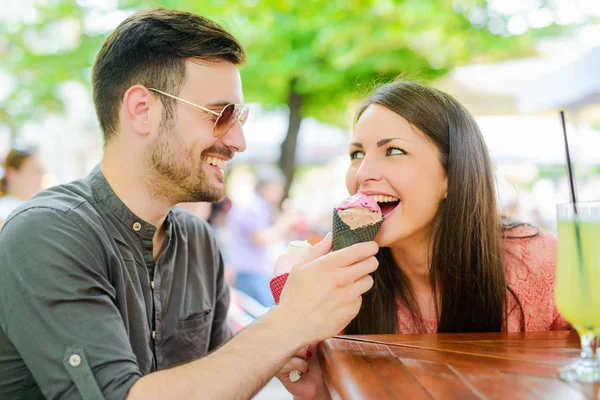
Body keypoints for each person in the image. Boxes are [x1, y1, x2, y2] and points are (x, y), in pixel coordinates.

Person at [0, 9, 380, 400]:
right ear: (142, 110)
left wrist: (285, 364)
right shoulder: (45, 232)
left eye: (240, 116)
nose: (238, 142)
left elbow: (218, 380)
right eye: (221, 114)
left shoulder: (198, 241)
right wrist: (291, 320)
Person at [271, 80, 570, 399]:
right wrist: (319, 392)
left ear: (451, 177)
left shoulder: (542, 263)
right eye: (357, 153)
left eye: (394, 150)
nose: (362, 173)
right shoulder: (336, 284)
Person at [227, 165, 299, 307]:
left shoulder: (258, 206)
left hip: (251, 273)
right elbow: (260, 239)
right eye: (278, 187)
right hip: (249, 273)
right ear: (267, 187)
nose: (281, 192)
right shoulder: (254, 207)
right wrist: (285, 221)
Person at [0, 146, 44, 225]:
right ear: (11, 174)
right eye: (34, 170)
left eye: (41, 170)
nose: (40, 175)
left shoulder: (40, 207)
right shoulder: (3, 213)